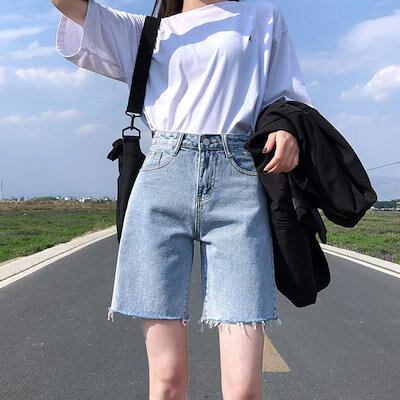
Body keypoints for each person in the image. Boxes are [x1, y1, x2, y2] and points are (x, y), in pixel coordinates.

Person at [51, 0, 312, 398]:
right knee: (167, 380)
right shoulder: (144, 31)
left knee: (244, 388)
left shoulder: (263, 17)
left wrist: (288, 129)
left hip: (238, 180)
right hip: (162, 179)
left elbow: (286, 98)